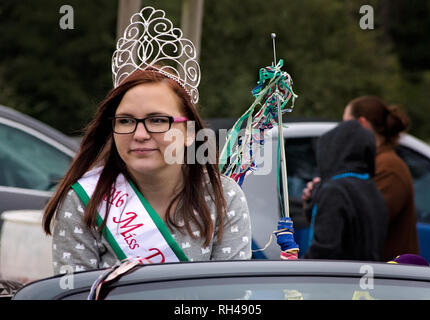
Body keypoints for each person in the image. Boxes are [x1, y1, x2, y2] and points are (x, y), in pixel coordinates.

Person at [42, 6, 251, 274]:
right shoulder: (84, 200)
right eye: (126, 121)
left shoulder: (223, 196)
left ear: (188, 132)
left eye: (157, 120)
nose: (140, 134)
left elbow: (229, 296)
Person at [343, 96, 419, 260]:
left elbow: (365, 219)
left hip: (389, 278)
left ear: (362, 124)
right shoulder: (372, 163)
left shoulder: (389, 168)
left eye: (346, 124)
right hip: (376, 276)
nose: (342, 133)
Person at [303, 120, 387, 261]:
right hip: (364, 276)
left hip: (337, 279)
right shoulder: (371, 189)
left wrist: (298, 272)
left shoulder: (334, 191)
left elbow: (324, 250)